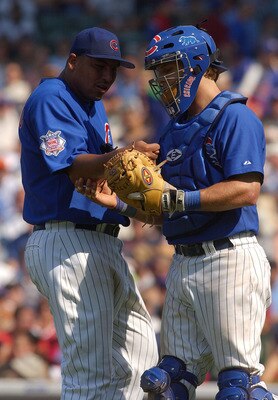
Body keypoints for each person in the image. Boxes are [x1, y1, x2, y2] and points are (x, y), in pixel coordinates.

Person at [76, 25, 278, 400]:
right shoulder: (173, 132)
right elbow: (161, 208)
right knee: (167, 383)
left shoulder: (235, 117)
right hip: (183, 261)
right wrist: (121, 203)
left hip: (228, 258)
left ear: (196, 64)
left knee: (239, 386)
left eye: (168, 69)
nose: (161, 80)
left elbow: (247, 190)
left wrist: (179, 201)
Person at [19, 27, 159, 399]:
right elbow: (74, 165)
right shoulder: (52, 96)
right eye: (99, 67)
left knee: (142, 361)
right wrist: (125, 153)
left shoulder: (93, 104)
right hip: (67, 240)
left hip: (101, 242)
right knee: (89, 376)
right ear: (73, 60)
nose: (107, 77)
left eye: (113, 70)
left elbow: (102, 177)